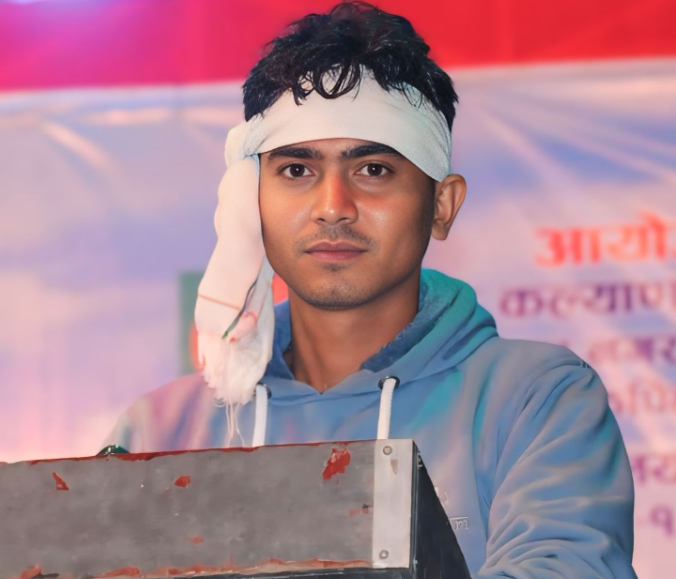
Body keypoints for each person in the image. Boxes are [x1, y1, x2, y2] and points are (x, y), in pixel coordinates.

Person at [105, 3, 637, 578]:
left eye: (373, 170)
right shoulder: (162, 432)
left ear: (442, 205)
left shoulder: (532, 399)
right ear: (248, 202)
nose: (333, 206)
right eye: (297, 171)